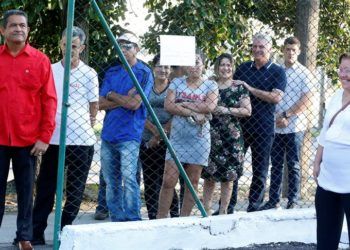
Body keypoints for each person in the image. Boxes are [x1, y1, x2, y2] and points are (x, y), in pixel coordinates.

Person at [31, 26, 98, 245]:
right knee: (45, 189)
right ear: (60, 45)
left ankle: (63, 234)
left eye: (74, 46)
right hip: (52, 140)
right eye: (65, 44)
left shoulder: (90, 74)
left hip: (81, 142)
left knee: (75, 191)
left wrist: (82, 127)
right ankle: (36, 233)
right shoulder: (49, 69)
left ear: (82, 47)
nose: (69, 49)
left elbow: (93, 107)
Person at [0, 10, 57, 250]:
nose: (19, 29)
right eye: (13, 25)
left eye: (23, 25)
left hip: (28, 140)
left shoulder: (40, 60)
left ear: (28, 30)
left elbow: (50, 100)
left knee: (26, 193)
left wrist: (44, 137)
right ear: (2, 30)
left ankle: (24, 236)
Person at [99, 32, 154, 222]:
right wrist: (121, 96)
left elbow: (135, 105)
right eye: (120, 45)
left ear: (137, 49)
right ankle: (116, 218)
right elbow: (99, 104)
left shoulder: (144, 72)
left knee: (129, 180)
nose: (123, 49)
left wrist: (112, 95)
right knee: (111, 181)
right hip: (108, 134)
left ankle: (133, 219)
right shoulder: (112, 72)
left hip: (130, 135)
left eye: (128, 45)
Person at [157, 50, 218, 218]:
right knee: (169, 180)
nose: (194, 67)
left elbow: (210, 106)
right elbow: (168, 105)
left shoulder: (210, 85)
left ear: (203, 65)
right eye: (191, 63)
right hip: (177, 138)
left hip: (199, 139)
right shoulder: (177, 82)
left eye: (197, 62)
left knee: (192, 182)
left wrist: (183, 103)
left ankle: (184, 220)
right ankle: (160, 219)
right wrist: (191, 112)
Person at [229, 33, 287, 212]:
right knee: (234, 167)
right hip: (241, 126)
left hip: (264, 127)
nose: (257, 50)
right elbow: (232, 90)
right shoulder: (243, 68)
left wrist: (250, 88)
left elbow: (276, 97)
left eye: (261, 47)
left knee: (260, 170)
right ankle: (228, 205)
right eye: (254, 46)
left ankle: (254, 205)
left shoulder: (278, 71)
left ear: (269, 49)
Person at [260, 37, 313, 210]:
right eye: (288, 49)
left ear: (299, 52)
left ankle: (293, 200)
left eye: (294, 50)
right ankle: (273, 200)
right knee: (275, 164)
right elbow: (269, 94)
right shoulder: (275, 70)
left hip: (295, 126)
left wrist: (286, 114)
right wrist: (276, 117)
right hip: (275, 124)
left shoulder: (304, 73)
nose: (290, 53)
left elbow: (306, 100)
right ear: (283, 50)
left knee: (293, 164)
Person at [202, 53, 251, 215]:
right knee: (209, 178)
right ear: (217, 67)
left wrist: (227, 110)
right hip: (210, 136)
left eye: (228, 65)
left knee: (229, 179)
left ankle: (223, 212)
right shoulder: (209, 84)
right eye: (222, 65)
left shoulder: (238, 87)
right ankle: (206, 211)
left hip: (232, 138)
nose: (225, 68)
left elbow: (247, 110)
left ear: (232, 67)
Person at [313, 52, 350, 250]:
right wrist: (317, 161)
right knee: (326, 240)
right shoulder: (336, 96)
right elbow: (325, 132)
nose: (344, 75)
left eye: (349, 70)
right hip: (328, 180)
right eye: (342, 69)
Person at [139, 54, 179, 219]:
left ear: (170, 70)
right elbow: (140, 111)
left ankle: (174, 214)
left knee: (167, 181)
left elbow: (177, 114)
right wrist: (154, 132)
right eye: (159, 66)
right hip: (147, 139)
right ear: (153, 68)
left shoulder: (175, 88)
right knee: (150, 181)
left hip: (168, 140)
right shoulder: (145, 87)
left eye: (166, 67)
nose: (163, 70)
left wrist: (161, 134)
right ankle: (152, 216)